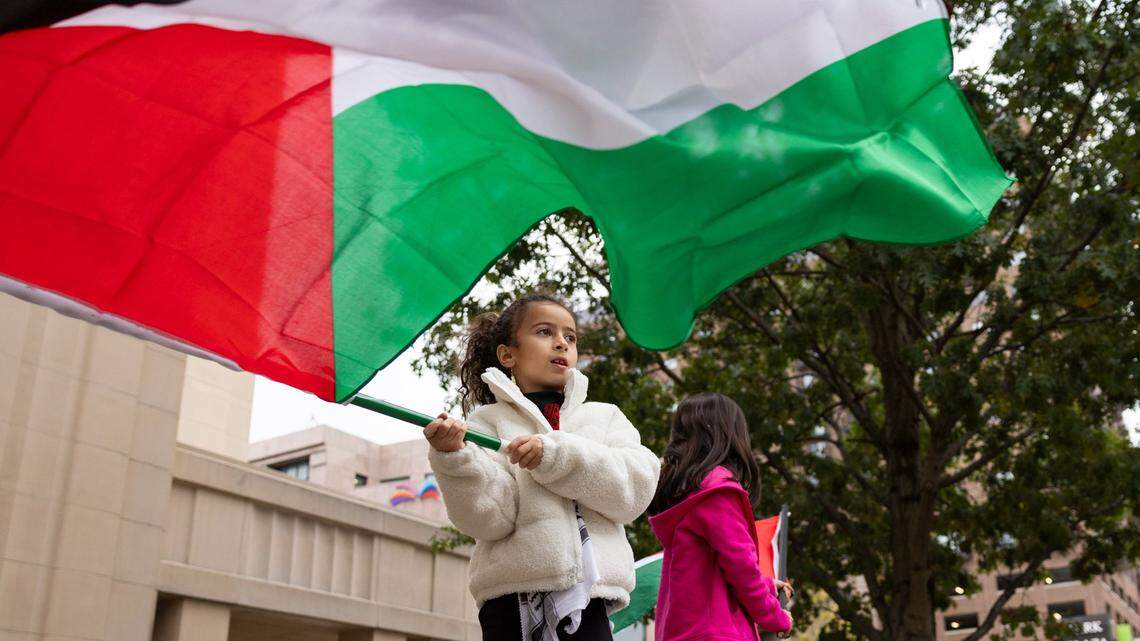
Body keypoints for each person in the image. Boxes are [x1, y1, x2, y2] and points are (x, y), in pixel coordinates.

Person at [424, 293, 660, 641]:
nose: (561, 343)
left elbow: (634, 492)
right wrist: (453, 458)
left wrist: (556, 456)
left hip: (591, 603)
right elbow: (490, 520)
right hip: (511, 602)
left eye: (571, 336)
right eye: (545, 332)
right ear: (508, 355)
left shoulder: (605, 416)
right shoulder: (485, 423)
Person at [648, 393, 793, 641]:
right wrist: (776, 617)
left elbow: (707, 575)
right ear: (731, 435)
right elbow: (742, 569)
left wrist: (767, 586)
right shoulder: (718, 494)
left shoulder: (685, 494)